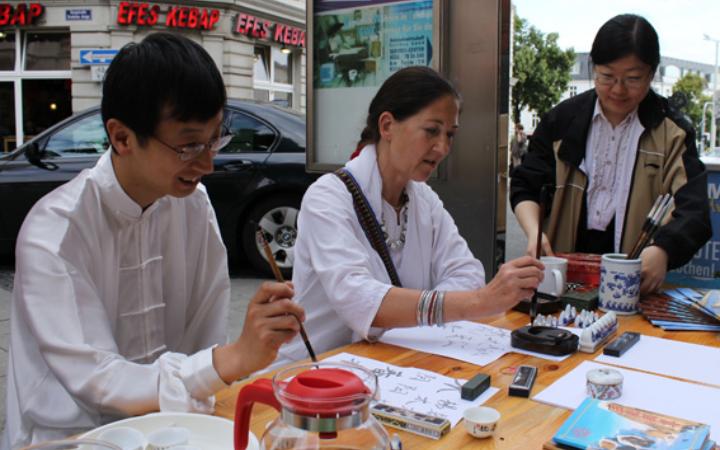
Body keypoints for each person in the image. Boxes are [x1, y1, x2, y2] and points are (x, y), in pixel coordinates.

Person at [2, 32, 305, 449]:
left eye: (215, 138)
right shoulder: (56, 231)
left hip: (176, 427)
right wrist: (228, 360)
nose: (208, 161)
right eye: (188, 145)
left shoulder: (192, 204)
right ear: (122, 138)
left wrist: (233, 355)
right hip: (72, 437)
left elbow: (205, 328)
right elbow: (98, 379)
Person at [274, 66, 543, 366]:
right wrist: (477, 302)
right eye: (431, 131)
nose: (442, 148)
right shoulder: (328, 198)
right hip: (318, 375)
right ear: (387, 125)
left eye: (450, 135)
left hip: (395, 364)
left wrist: (412, 311)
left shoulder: (424, 200)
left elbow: (467, 273)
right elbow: (358, 299)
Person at [511, 14, 711, 294]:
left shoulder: (673, 133)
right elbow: (526, 185)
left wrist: (664, 250)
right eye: (607, 77)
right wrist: (534, 232)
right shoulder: (562, 121)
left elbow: (694, 211)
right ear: (594, 69)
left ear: (652, 74)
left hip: (632, 282)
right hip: (561, 278)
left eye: (632, 79)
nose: (618, 89)